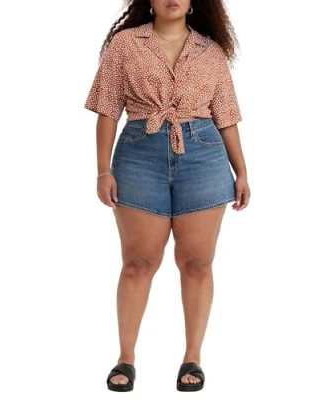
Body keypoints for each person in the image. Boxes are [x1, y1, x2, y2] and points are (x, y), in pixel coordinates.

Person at [84, 0, 251, 392]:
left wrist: (241, 170)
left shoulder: (211, 52)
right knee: (138, 262)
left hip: (203, 156)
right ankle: (126, 357)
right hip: (139, 155)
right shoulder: (125, 44)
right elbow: (107, 109)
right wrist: (103, 170)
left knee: (196, 263)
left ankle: (192, 357)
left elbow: (226, 116)